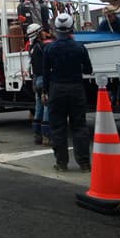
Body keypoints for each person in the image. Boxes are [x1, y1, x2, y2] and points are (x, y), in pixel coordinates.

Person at [43, 13, 93, 172]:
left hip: (57, 89)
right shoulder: (80, 48)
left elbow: (45, 73)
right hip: (76, 88)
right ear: (71, 28)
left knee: (58, 127)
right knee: (79, 126)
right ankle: (84, 163)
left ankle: (61, 163)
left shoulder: (49, 48)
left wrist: (45, 91)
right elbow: (88, 69)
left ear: (56, 29)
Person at [27, 23, 51, 146]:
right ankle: (47, 136)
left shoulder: (32, 48)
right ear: (37, 34)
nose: (44, 33)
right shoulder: (43, 47)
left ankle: (37, 136)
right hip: (43, 79)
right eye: (41, 31)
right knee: (47, 106)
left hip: (36, 79)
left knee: (38, 107)